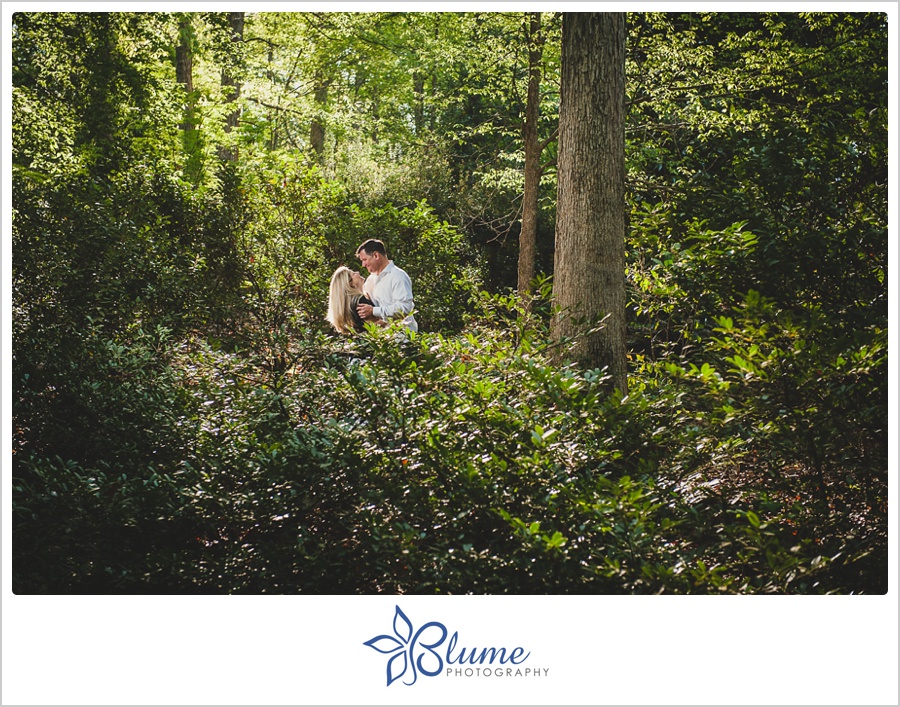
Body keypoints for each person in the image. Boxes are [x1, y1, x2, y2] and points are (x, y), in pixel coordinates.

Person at [355, 238, 418, 333]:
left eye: (365, 260)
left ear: (376, 255)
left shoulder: (398, 276)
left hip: (403, 337)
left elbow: (404, 307)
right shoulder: (370, 281)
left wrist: (374, 311)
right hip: (382, 338)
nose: (363, 264)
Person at [326, 265, 378, 334]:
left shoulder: (351, 304)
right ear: (350, 283)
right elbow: (376, 325)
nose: (358, 273)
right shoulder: (360, 301)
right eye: (354, 274)